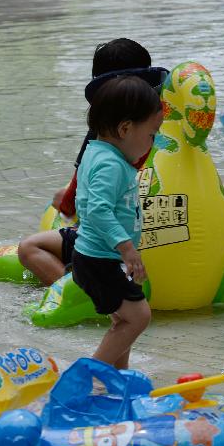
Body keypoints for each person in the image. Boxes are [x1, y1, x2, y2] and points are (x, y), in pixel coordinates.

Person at [17, 38, 165, 285]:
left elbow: (76, 201)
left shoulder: (100, 135)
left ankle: (74, 289)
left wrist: (66, 203)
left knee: (30, 243)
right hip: (132, 228)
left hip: (106, 240)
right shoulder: (162, 120)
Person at [71, 75, 162, 369]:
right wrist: (126, 248)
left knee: (124, 323)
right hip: (101, 259)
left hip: (95, 258)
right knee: (139, 317)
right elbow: (97, 210)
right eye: (151, 134)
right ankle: (87, 377)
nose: (153, 141)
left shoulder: (96, 153)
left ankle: (117, 379)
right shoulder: (111, 164)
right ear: (125, 128)